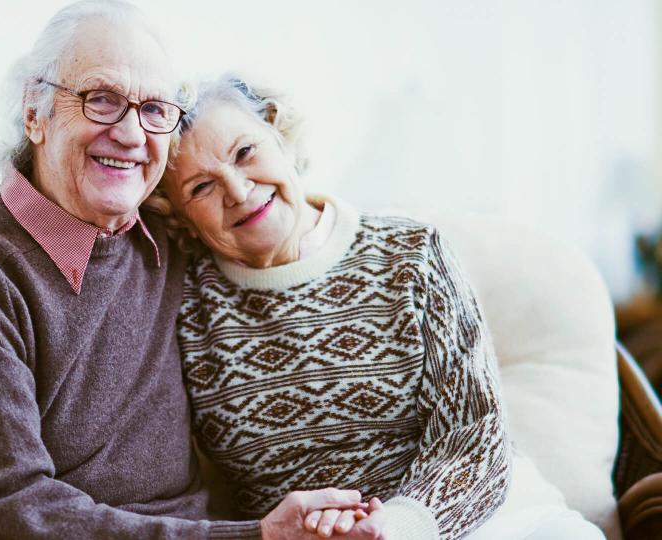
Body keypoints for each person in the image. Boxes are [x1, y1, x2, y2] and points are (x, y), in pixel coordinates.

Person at [0, 2, 368, 539]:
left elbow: (275, 232)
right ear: (34, 114)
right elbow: (14, 511)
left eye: (155, 110)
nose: (133, 135)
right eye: (102, 100)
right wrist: (253, 537)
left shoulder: (167, 243)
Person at [149, 75, 514, 540]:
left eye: (246, 153)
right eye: (201, 187)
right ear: (180, 216)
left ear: (281, 136)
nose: (238, 191)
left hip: (451, 527)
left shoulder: (410, 255)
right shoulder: (185, 308)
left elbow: (476, 433)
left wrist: (397, 527)